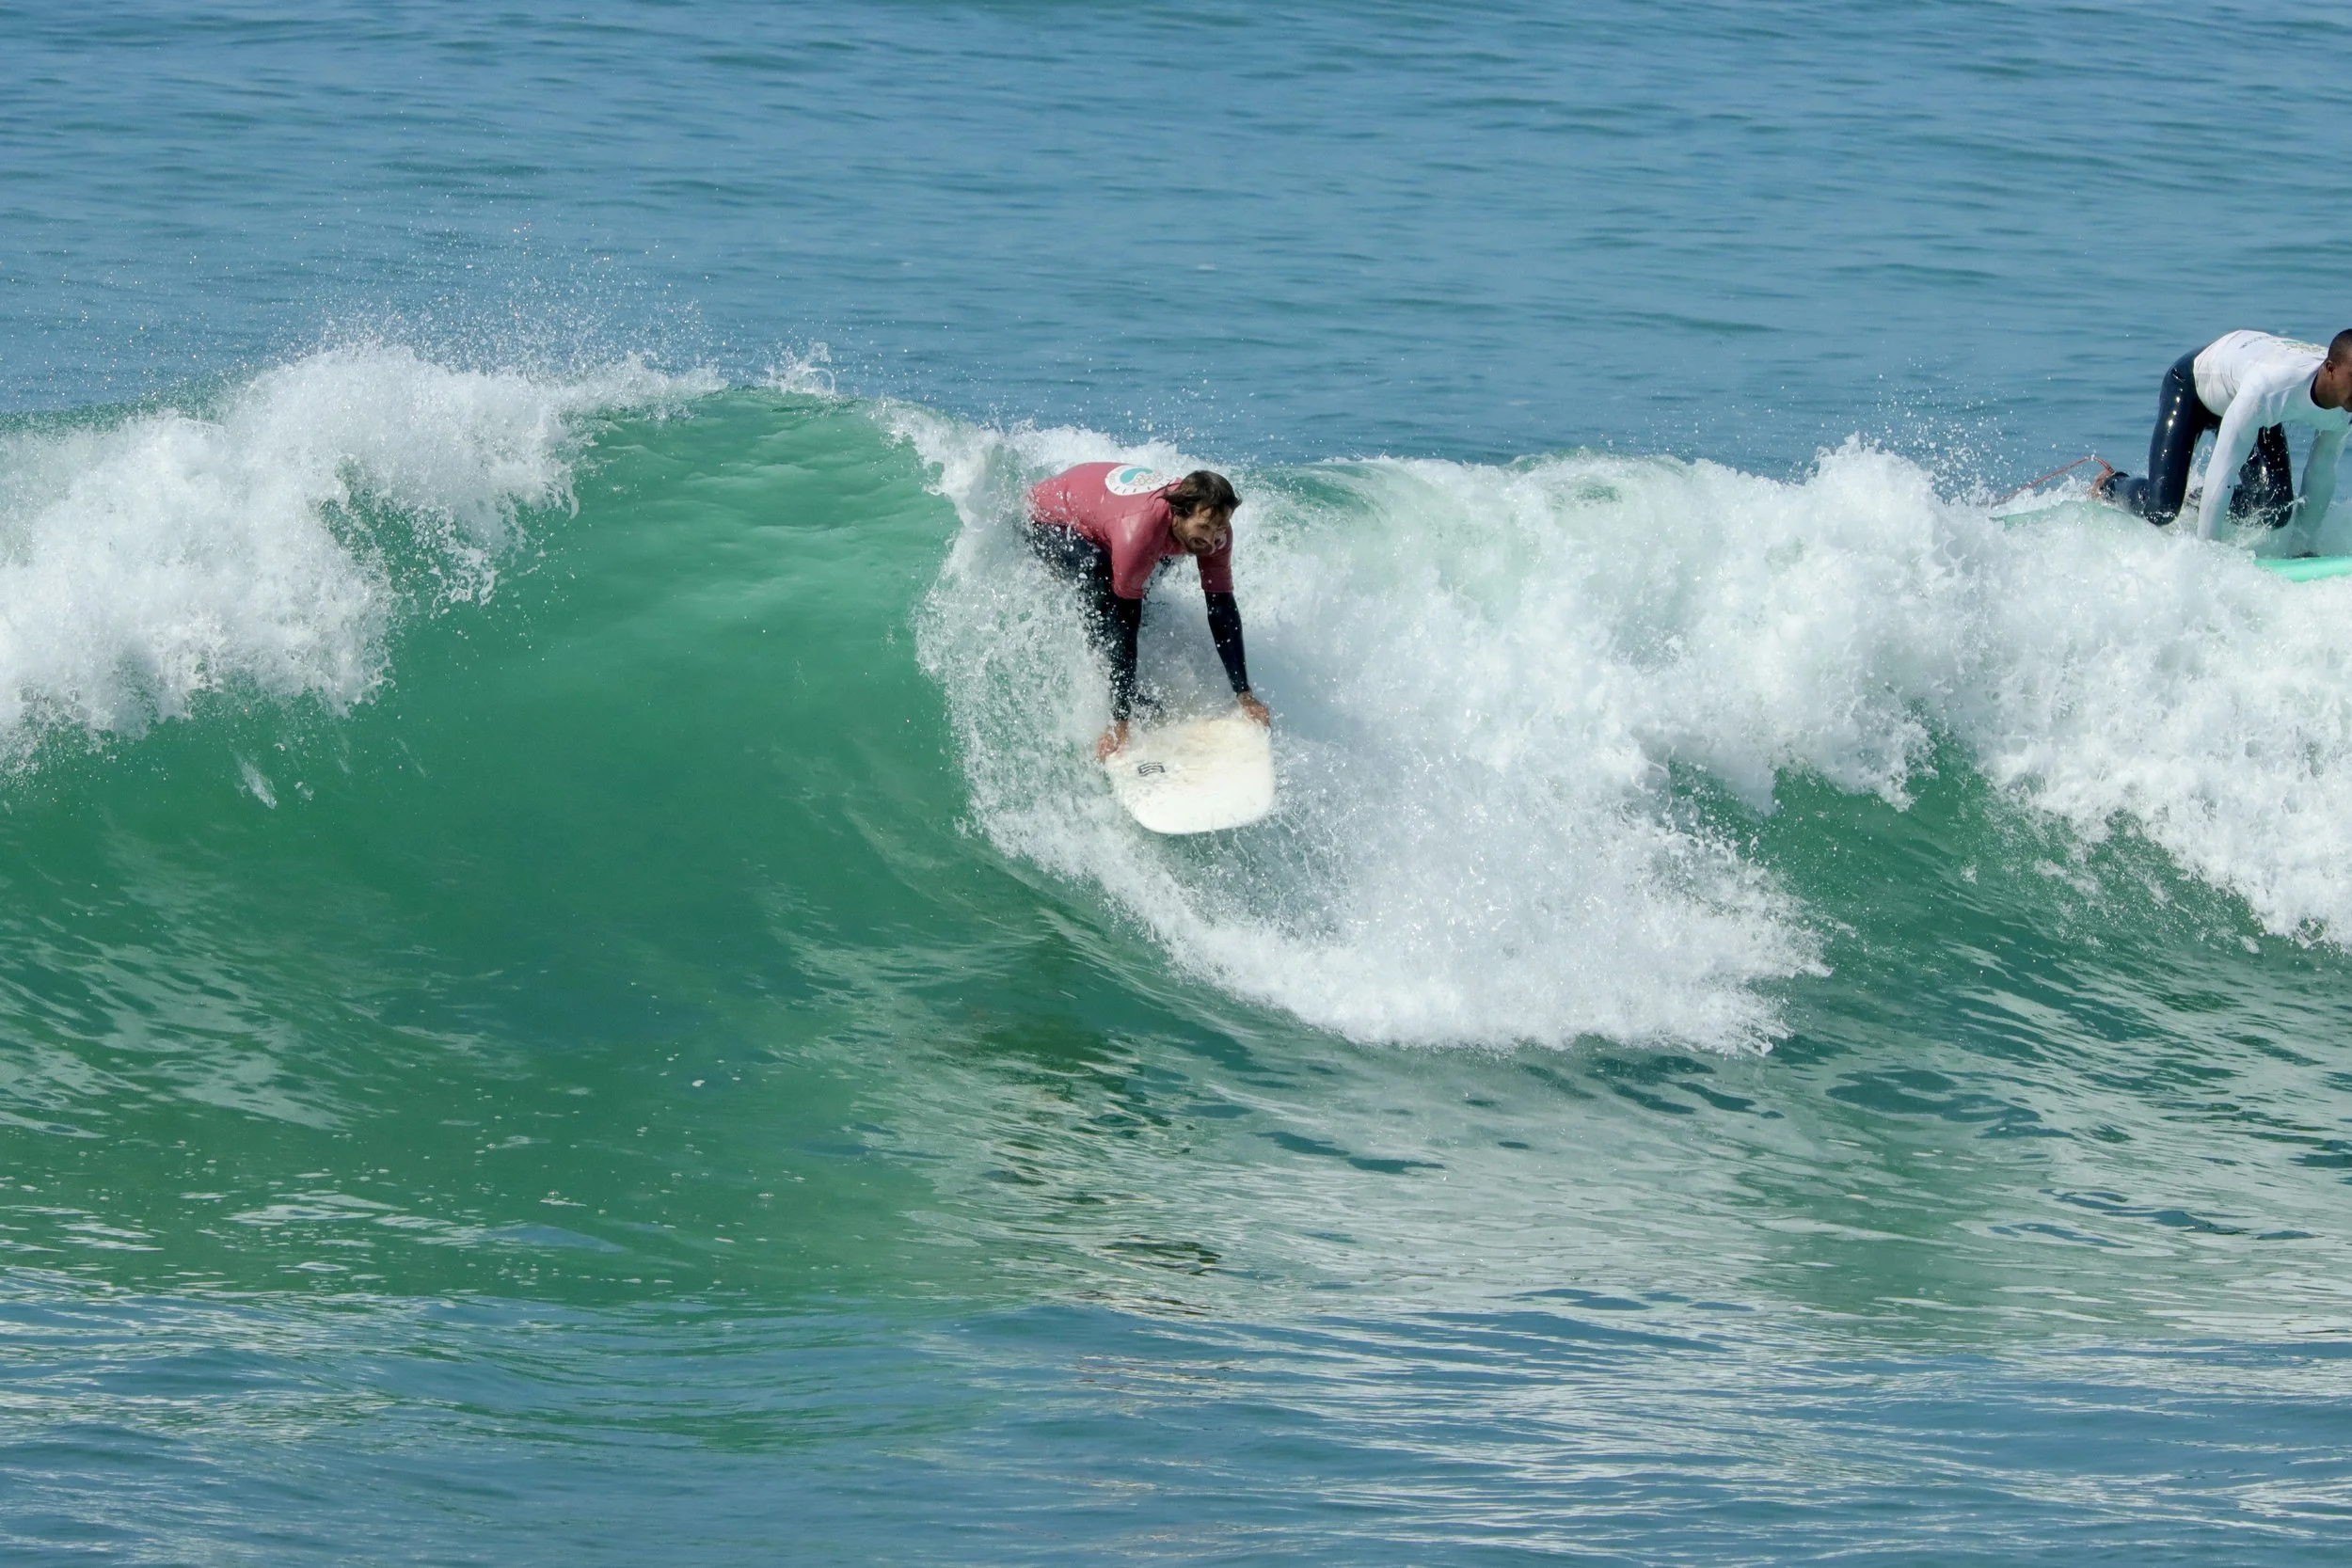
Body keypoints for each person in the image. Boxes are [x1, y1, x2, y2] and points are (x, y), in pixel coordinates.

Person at [1026, 462, 1269, 760]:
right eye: (1204, 528)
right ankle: (1115, 688)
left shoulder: (1215, 526)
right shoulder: (1139, 533)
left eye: (1219, 529)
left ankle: (1126, 587)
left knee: (1143, 577)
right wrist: (1120, 721)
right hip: (1049, 516)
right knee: (1103, 582)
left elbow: (1221, 608)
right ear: (1178, 513)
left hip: (1105, 509)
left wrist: (1244, 694)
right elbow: (1124, 626)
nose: (1211, 540)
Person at [2098, 329, 2352, 541]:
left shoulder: (2344, 405)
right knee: (2162, 509)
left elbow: (2322, 470)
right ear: (2329, 369)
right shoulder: (2271, 389)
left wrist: (2303, 547)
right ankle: (2109, 484)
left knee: (2273, 509)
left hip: (2243, 385)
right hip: (2193, 387)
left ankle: (2195, 501)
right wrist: (2208, 554)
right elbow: (2224, 469)